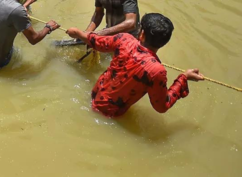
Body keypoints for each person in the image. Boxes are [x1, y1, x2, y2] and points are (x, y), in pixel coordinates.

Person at [65, 13, 204, 117]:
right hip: (111, 114)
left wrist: (79, 34)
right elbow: (162, 106)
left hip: (95, 95)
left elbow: (99, 43)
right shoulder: (157, 70)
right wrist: (183, 78)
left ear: (142, 34)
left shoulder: (124, 39)